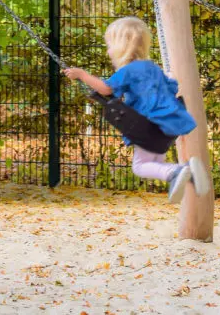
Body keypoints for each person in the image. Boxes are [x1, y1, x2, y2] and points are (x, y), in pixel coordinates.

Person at [64, 16, 211, 203]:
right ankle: (189, 173)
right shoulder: (151, 68)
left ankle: (178, 171)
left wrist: (82, 75)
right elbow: (172, 86)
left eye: (109, 45)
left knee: (140, 167)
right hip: (169, 125)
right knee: (155, 163)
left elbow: (106, 89)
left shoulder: (129, 70)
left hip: (149, 126)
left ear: (120, 47)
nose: (108, 50)